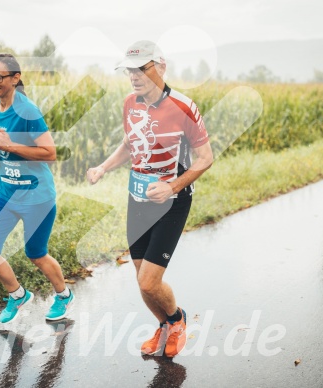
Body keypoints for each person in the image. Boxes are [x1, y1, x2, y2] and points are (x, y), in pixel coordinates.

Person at [87, 41, 213, 357]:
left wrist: (172, 187)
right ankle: (163, 326)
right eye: (130, 70)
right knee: (141, 277)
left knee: (149, 283)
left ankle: (177, 320)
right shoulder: (130, 103)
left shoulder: (184, 106)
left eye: (142, 68)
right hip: (137, 199)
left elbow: (205, 158)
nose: (134, 76)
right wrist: (104, 166)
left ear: (161, 66)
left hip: (172, 202)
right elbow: (131, 144)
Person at [0, 53, 74, 324]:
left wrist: (8, 146)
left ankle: (64, 295)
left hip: (36, 197)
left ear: (15, 77)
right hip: (6, 194)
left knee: (36, 253)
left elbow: (49, 152)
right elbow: (4, 142)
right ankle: (18, 294)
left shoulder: (28, 110)